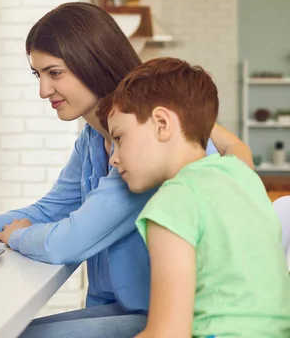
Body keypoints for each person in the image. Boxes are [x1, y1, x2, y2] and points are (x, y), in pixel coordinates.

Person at [0, 2, 253, 337]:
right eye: (38, 75)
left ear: (92, 61)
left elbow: (69, 241)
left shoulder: (149, 153)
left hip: (175, 321)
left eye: (55, 73)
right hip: (131, 307)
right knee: (8, 330)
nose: (43, 91)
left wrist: (16, 235)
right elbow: (53, 208)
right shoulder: (94, 139)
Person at [96, 57, 290, 337]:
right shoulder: (241, 175)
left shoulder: (173, 201)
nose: (114, 158)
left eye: (120, 138)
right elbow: (236, 146)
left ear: (162, 123)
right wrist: (192, 114)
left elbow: (168, 334)